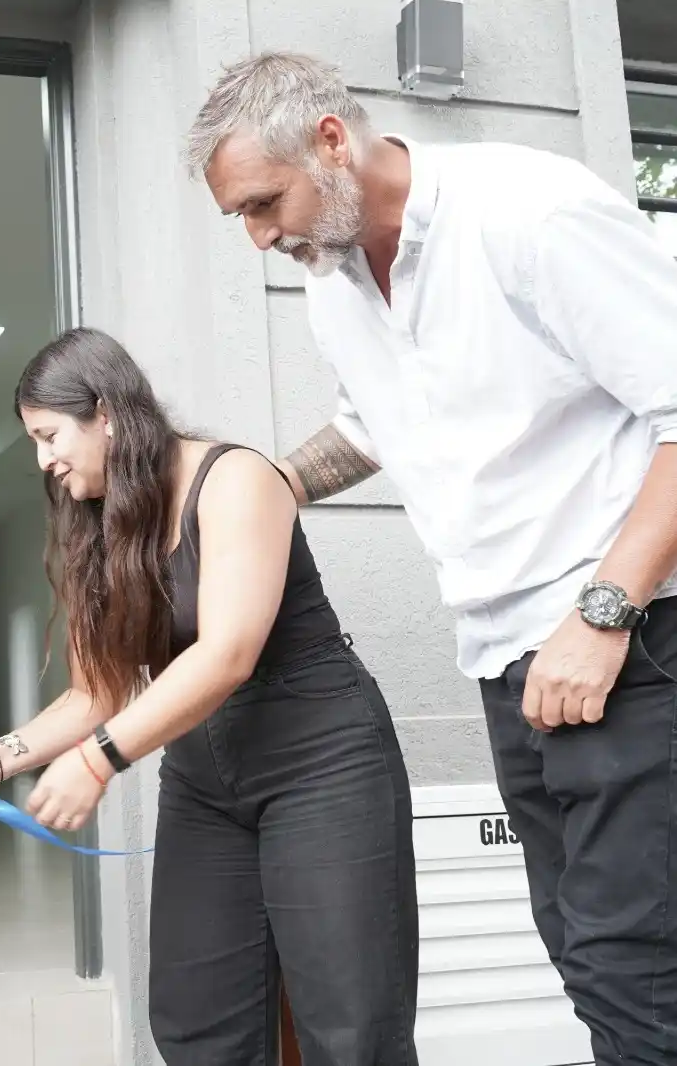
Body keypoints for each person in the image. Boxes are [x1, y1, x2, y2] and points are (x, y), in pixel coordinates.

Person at [189, 51, 677, 1066]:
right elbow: (366, 431)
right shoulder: (335, 284)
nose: (258, 236)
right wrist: (244, 489)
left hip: (626, 640)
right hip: (506, 660)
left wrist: (602, 615)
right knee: (583, 951)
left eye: (261, 203)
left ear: (331, 140)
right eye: (239, 214)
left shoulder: (526, 213)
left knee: (634, 964)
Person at [0, 327, 419, 1065]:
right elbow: (95, 690)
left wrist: (96, 763)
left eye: (49, 435)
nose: (44, 460)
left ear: (108, 414)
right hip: (204, 780)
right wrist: (0, 755)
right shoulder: (99, 523)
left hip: (322, 765)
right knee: (196, 1021)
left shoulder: (237, 479)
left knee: (351, 1030)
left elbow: (227, 653)